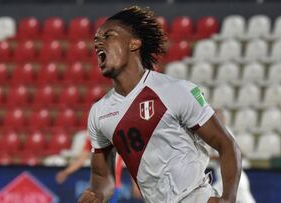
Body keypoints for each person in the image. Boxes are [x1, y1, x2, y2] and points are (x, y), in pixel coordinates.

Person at [79, 6, 241, 203]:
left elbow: (226, 145)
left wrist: (228, 198)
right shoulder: (99, 112)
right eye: (96, 39)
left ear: (134, 43)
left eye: (108, 36)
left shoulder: (175, 91)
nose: (98, 43)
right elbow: (102, 177)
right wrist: (97, 195)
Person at [211, 110, 256, 203]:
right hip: (225, 179)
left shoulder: (225, 132)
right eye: (215, 117)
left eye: (219, 117)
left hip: (234, 179)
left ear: (223, 119)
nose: (217, 119)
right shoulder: (214, 132)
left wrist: (209, 157)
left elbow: (229, 154)